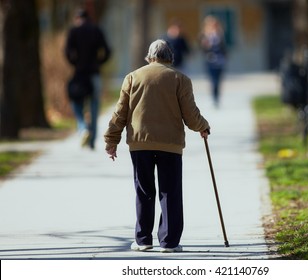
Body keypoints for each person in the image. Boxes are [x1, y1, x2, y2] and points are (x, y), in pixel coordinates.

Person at [104, 39, 210, 253]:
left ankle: (143, 240)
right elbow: (191, 114)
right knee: (170, 191)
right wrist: (203, 126)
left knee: (144, 191)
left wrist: (111, 140)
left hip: (139, 143)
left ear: (149, 57)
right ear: (169, 57)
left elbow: (120, 113)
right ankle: (169, 242)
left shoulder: (132, 78)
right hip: (170, 144)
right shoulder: (180, 79)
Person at [65, 9, 111, 149]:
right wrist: (99, 62)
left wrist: (75, 63)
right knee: (94, 106)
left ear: (77, 18)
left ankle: (83, 127)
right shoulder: (96, 30)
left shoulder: (73, 31)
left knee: (75, 101)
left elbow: (67, 52)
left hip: (79, 74)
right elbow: (107, 51)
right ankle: (92, 141)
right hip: (94, 73)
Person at [199, 15, 227, 108]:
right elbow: (201, 48)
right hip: (210, 60)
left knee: (218, 80)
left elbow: (224, 48)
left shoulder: (220, 34)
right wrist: (206, 45)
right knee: (213, 80)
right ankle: (214, 98)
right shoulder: (204, 35)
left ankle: (217, 97)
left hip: (220, 60)